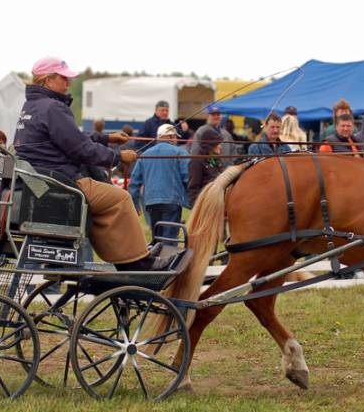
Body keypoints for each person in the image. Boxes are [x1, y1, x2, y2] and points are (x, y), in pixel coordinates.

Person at [13, 56, 166, 271]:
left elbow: (70, 137)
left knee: (106, 201)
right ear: (48, 80)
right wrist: (118, 157)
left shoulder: (32, 106)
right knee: (120, 199)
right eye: (64, 78)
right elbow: (80, 148)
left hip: (44, 182)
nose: (68, 83)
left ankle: (128, 257)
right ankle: (138, 261)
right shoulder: (53, 108)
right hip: (62, 183)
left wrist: (106, 138)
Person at [128, 124, 190, 244]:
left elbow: (134, 182)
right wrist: (193, 201)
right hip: (172, 201)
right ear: (171, 137)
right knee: (170, 240)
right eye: (176, 137)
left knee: (157, 238)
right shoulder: (180, 152)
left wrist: (135, 205)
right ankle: (169, 261)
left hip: (151, 202)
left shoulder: (145, 154)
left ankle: (157, 261)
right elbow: (188, 178)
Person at [188, 127, 224, 207]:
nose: (220, 147)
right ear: (210, 145)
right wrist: (197, 207)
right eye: (218, 144)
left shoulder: (217, 160)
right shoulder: (197, 162)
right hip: (204, 205)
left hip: (216, 203)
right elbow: (193, 187)